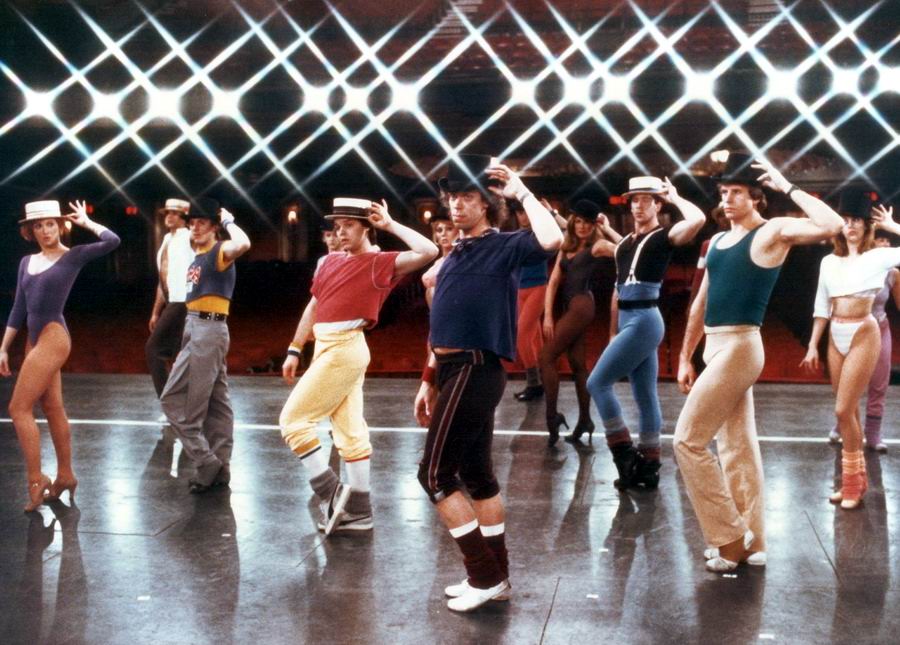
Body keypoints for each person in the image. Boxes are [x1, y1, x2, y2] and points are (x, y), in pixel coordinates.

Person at [674, 152, 843, 572]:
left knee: (687, 441)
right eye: (724, 192)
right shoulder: (718, 241)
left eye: (737, 192)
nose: (728, 199)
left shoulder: (771, 232)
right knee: (736, 447)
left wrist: (786, 186)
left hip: (741, 346)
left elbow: (832, 225)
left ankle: (730, 540)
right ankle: (754, 541)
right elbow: (699, 304)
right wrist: (685, 357)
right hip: (714, 346)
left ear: (755, 197)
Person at [413, 154, 563, 612]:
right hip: (452, 369)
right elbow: (442, 323)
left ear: (486, 203)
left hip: (476, 368)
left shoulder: (504, 245)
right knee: (477, 477)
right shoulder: (456, 252)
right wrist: (428, 378)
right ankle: (497, 574)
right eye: (452, 197)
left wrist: (520, 192)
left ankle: (484, 576)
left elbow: (552, 238)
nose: (456, 204)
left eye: (467, 197)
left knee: (434, 475)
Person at [280, 198, 437, 535]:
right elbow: (313, 307)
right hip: (325, 347)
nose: (341, 232)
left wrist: (390, 225)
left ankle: (334, 496)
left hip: (345, 348)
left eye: (349, 225)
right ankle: (360, 513)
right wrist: (295, 347)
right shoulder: (327, 261)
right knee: (351, 435)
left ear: (367, 228)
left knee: (293, 422)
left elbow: (429, 251)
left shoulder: (379, 262)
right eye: (337, 226)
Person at [585, 177, 705, 488]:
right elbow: (627, 250)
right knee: (645, 396)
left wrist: (675, 196)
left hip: (645, 320)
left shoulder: (665, 236)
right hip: (629, 319)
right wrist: (606, 227)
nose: (638, 206)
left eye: (646, 200)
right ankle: (649, 466)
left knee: (597, 383)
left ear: (658, 205)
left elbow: (698, 220)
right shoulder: (626, 243)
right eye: (634, 200)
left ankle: (624, 455)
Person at [0, 200, 120, 511]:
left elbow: (112, 241)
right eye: (38, 226)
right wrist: (3, 347)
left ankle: (36, 478)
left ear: (60, 226)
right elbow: (19, 308)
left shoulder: (72, 256)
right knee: (52, 407)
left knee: (18, 408)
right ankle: (65, 475)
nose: (45, 230)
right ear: (30, 231)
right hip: (34, 340)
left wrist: (86, 222)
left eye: (50, 224)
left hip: (54, 337)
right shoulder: (26, 262)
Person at [800, 193, 899, 508]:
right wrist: (813, 345)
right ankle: (853, 482)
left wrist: (893, 226)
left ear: (867, 226)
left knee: (842, 410)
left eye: (857, 220)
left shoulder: (878, 257)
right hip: (835, 334)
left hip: (864, 332)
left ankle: (854, 485)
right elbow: (821, 306)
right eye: (845, 220)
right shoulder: (828, 262)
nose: (851, 226)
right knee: (848, 412)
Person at [159, 199, 251, 493]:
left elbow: (244, 244)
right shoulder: (198, 257)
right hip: (198, 327)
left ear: (214, 227)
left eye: (202, 222)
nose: (195, 228)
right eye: (192, 223)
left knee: (174, 401)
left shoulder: (218, 251)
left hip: (208, 329)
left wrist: (228, 220)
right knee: (217, 405)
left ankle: (206, 461)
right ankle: (221, 468)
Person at [540, 200, 616, 446]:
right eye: (579, 221)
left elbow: (628, 249)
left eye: (588, 223)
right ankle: (585, 420)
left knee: (546, 357)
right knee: (577, 364)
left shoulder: (598, 246)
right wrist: (548, 315)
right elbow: (553, 282)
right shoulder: (567, 244)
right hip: (569, 306)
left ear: (595, 225)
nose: (583, 227)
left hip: (582, 305)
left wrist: (607, 228)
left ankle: (552, 417)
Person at [824, 225, 899, 452]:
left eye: (888, 242)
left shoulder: (893, 274)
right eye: (880, 241)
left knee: (879, 382)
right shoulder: (853, 264)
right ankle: (843, 423)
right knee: (846, 385)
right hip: (846, 328)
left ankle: (873, 433)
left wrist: (892, 225)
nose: (884, 245)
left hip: (878, 328)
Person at [146, 199, 194, 404]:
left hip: (184, 301)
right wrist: (156, 312)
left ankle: (168, 400)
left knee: (154, 349)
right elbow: (163, 279)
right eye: (167, 213)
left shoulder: (189, 237)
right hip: (171, 301)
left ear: (183, 217)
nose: (169, 216)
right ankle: (178, 399)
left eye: (174, 213)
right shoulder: (167, 239)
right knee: (173, 353)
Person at [509, 200, 550, 401]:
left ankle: (534, 383)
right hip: (519, 288)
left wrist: (549, 213)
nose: (523, 217)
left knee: (522, 335)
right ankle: (543, 379)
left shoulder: (542, 233)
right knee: (534, 337)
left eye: (525, 212)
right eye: (519, 213)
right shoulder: (516, 236)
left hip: (537, 287)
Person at [421, 210, 455, 306]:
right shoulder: (438, 262)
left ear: (458, 231)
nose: (443, 234)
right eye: (439, 230)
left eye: (449, 229)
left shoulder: (460, 258)